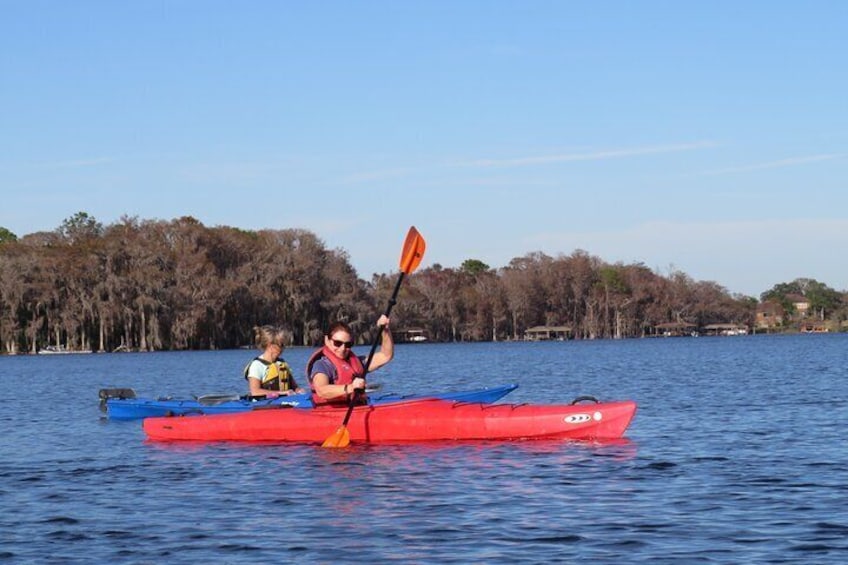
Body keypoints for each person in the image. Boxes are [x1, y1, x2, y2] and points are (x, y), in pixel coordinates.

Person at [307, 315, 393, 407]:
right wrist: (350, 388)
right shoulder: (321, 365)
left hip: (357, 409)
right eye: (337, 343)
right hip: (331, 413)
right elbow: (322, 390)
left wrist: (385, 331)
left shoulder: (357, 363)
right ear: (327, 340)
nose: (343, 348)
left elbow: (385, 355)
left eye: (348, 344)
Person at [244, 325, 304, 398]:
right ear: (270, 346)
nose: (283, 348)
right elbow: (255, 392)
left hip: (285, 403)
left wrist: (299, 390)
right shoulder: (257, 365)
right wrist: (282, 393)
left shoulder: (281, 364)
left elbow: (294, 387)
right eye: (281, 345)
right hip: (265, 405)